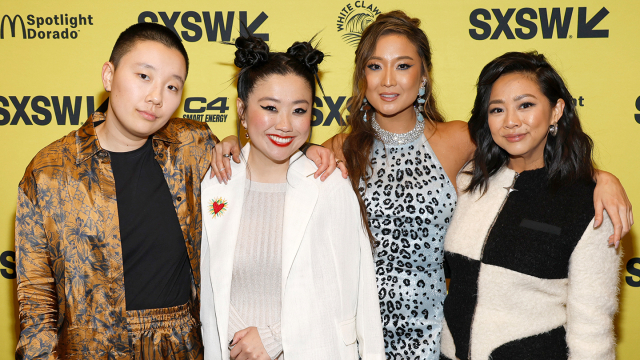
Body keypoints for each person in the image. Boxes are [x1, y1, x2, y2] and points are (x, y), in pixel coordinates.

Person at [209, 10, 631, 360]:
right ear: (362, 78)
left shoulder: (457, 139)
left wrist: (600, 177)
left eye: (403, 65)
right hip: (358, 335)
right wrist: (233, 143)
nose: (388, 80)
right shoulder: (339, 149)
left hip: (436, 338)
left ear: (423, 74)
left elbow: (527, 155)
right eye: (375, 66)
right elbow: (276, 155)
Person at [14, 22, 339, 360]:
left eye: (172, 86)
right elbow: (36, 303)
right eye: (144, 76)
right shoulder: (50, 171)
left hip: (187, 349)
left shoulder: (193, 147)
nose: (156, 97)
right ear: (109, 75)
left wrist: (306, 154)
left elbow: (262, 153)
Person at [199, 35, 384, 360]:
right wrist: (237, 341)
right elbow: (212, 293)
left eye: (299, 110)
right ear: (242, 110)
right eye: (270, 108)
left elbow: (352, 293)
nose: (284, 125)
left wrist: (274, 338)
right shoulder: (216, 184)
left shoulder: (329, 183)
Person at [440, 51, 621, 360]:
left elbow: (592, 329)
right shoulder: (468, 181)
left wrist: (601, 179)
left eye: (526, 105)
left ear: (556, 111)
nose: (511, 121)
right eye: (497, 109)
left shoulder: (591, 204)